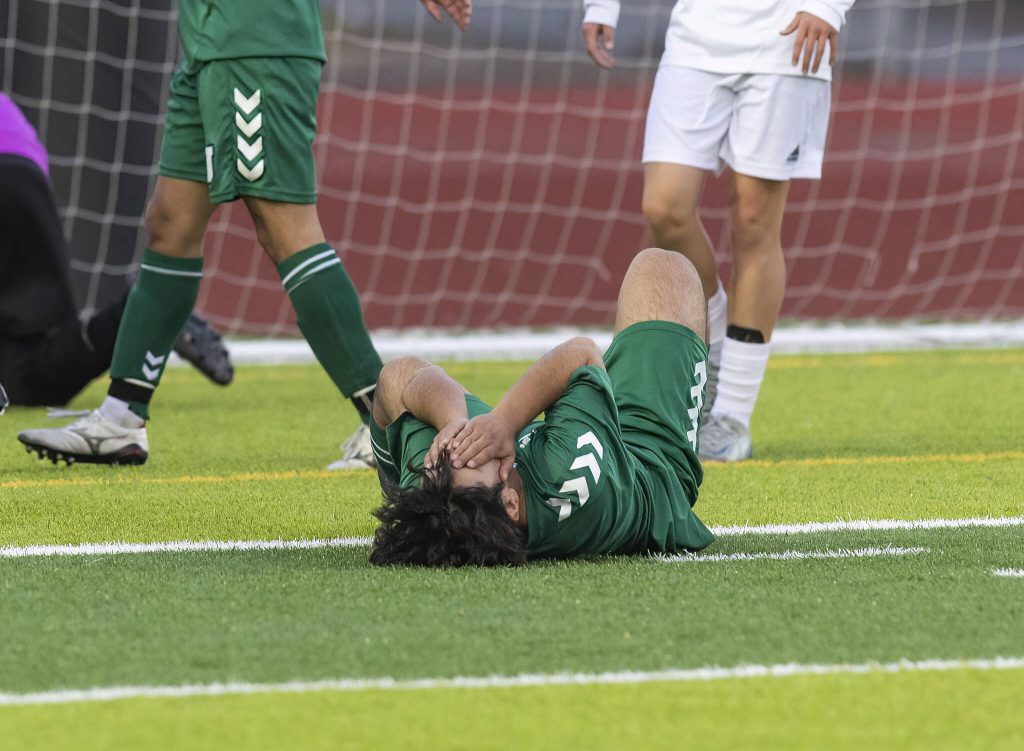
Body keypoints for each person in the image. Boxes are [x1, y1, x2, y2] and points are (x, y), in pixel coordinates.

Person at [17, 0, 472, 467]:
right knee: (170, 223)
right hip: (208, 45)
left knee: (284, 225)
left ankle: (386, 421)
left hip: (255, 40)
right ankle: (121, 417)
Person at [581, 0, 855, 461]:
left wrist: (828, 5)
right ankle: (717, 342)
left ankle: (731, 416)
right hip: (697, 38)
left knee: (754, 222)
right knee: (664, 209)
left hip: (785, 36)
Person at [369, 248, 714, 566]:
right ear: (511, 504)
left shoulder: (442, 492)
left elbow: (396, 378)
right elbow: (581, 355)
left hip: (555, 448)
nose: (457, 447)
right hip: (646, 458)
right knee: (663, 268)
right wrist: (503, 421)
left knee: (404, 401)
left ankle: (394, 470)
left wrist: (454, 421)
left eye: (441, 462)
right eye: (468, 456)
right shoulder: (563, 478)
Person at [0, 94, 231, 422]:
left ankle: (142, 312)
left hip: (20, 165)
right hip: (25, 169)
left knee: (25, 381)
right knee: (35, 368)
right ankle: (135, 312)